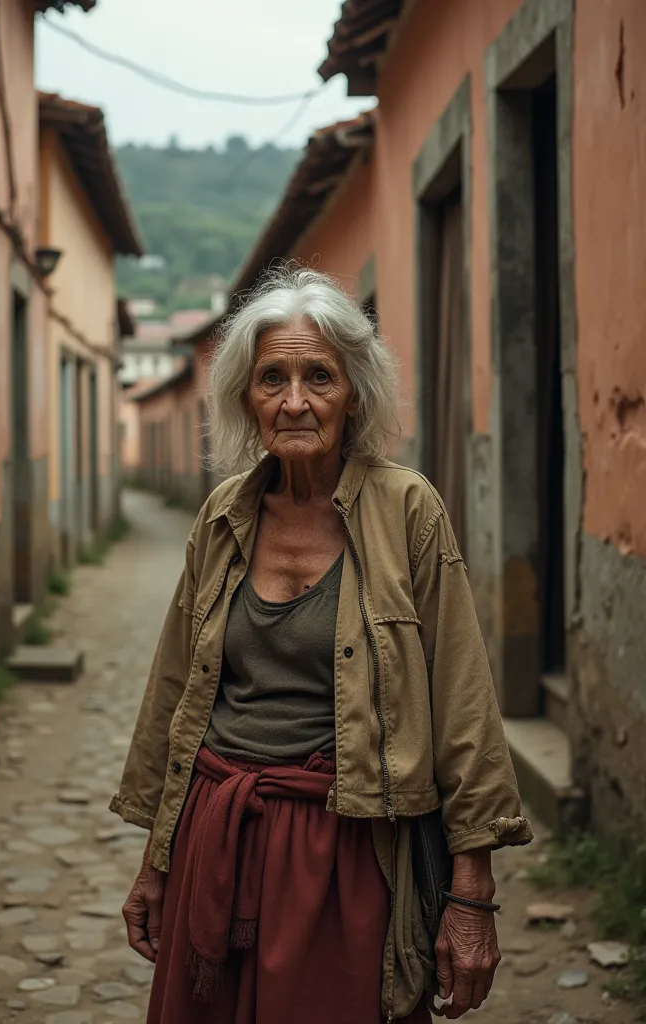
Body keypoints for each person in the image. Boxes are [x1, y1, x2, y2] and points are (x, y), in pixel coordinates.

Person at [110, 268, 533, 1024]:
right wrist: (157, 862)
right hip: (218, 835)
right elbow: (177, 693)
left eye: (319, 377)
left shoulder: (409, 510)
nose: (295, 400)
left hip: (347, 854)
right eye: (272, 377)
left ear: (355, 394)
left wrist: (473, 895)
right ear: (246, 397)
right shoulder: (223, 516)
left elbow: (464, 707)